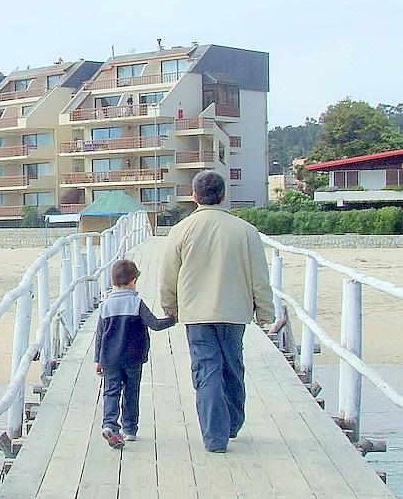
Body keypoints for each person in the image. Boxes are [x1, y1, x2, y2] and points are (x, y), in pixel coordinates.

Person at [160, 170, 274, 453]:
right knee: (233, 367)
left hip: (196, 313)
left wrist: (170, 306)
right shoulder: (246, 231)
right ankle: (232, 424)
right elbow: (260, 276)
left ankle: (215, 436)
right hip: (234, 311)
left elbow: (168, 275)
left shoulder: (181, 230)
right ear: (223, 195)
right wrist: (265, 311)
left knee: (206, 370)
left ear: (194, 196)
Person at [95, 259, 177, 448]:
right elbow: (155, 324)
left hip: (109, 359)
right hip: (133, 357)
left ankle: (109, 424)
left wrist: (97, 360)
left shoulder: (105, 305)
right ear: (133, 281)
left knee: (111, 392)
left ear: (113, 282)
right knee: (131, 392)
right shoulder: (136, 303)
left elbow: (99, 335)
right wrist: (173, 319)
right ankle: (130, 429)